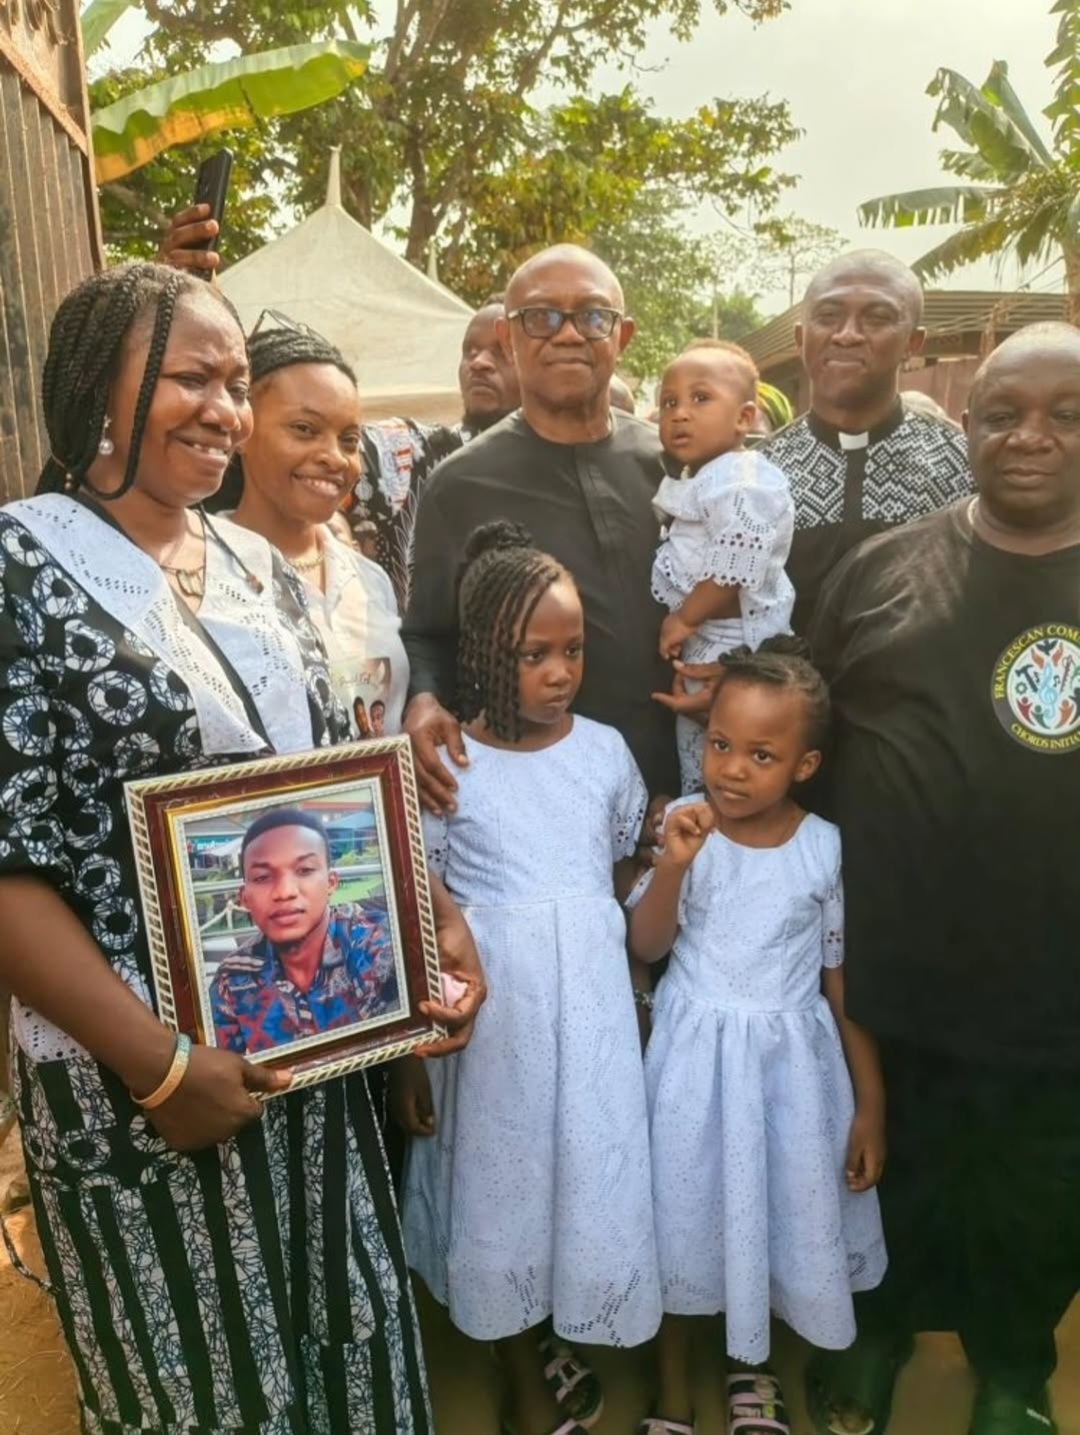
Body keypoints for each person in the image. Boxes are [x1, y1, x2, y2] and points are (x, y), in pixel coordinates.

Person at [0, 261, 484, 1435]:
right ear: (91, 389)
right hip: (134, 1085)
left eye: (234, 383)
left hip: (303, 1061)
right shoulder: (18, 566)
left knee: (347, 1356)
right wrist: (161, 1067)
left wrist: (427, 927)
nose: (221, 408)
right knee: (204, 1388)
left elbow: (335, 784)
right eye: (188, 377)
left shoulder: (262, 566)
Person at [803, 322, 1080, 1435]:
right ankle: (878, 1334)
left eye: (1066, 416)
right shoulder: (880, 568)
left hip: (1059, 984)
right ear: (963, 424)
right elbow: (812, 742)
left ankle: (1015, 1370)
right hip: (895, 974)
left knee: (1043, 1191)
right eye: (1006, 412)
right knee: (888, 1164)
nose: (1032, 436)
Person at [396, 522, 661, 1435]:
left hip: (588, 1019)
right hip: (496, 1034)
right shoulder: (446, 772)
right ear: (480, 654)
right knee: (498, 1183)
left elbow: (626, 863)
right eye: (533, 654)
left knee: (586, 1172)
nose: (560, 672)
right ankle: (507, 1349)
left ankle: (584, 1329)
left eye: (573, 650)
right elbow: (418, 908)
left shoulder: (605, 753)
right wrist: (406, 1059)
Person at [627, 640, 886, 1435]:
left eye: (762, 754)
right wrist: (672, 864)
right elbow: (646, 945)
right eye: (720, 744)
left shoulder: (823, 848)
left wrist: (870, 1104)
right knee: (683, 1219)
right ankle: (674, 1388)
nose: (733, 769)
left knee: (769, 1217)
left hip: (789, 1078)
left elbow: (839, 984)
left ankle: (754, 1374)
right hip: (692, 1069)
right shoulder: (686, 828)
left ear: (804, 764)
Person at [403, 243, 677, 809]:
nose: (569, 334)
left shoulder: (672, 466)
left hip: (686, 785)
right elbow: (428, 633)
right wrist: (424, 700)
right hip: (535, 800)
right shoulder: (461, 484)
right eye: (542, 317)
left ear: (621, 337)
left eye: (592, 316)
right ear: (509, 337)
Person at [159, 210, 521, 610]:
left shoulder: (372, 588)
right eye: (470, 350)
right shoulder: (410, 453)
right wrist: (178, 314)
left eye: (504, 351)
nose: (480, 362)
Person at [760, 249, 971, 634]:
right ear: (800, 338)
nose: (847, 335)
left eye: (877, 318)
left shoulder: (964, 463)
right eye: (828, 317)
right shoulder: (756, 471)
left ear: (913, 342)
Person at [224, 317, 409, 737]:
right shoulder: (202, 572)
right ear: (243, 429)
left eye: (348, 440)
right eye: (305, 430)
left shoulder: (370, 580)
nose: (334, 457)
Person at [652, 339, 794, 792]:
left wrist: (684, 618)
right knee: (700, 739)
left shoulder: (742, 480)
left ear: (744, 417)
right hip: (708, 640)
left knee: (723, 743)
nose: (679, 413)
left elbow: (735, 564)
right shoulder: (707, 474)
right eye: (669, 402)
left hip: (732, 641)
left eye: (700, 398)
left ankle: (719, 823)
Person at [211, 807, 398, 1053]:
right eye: (262, 877)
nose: (285, 891)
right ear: (244, 898)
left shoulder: (378, 941)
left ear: (331, 883)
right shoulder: (232, 980)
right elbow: (219, 1070)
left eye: (305, 870)